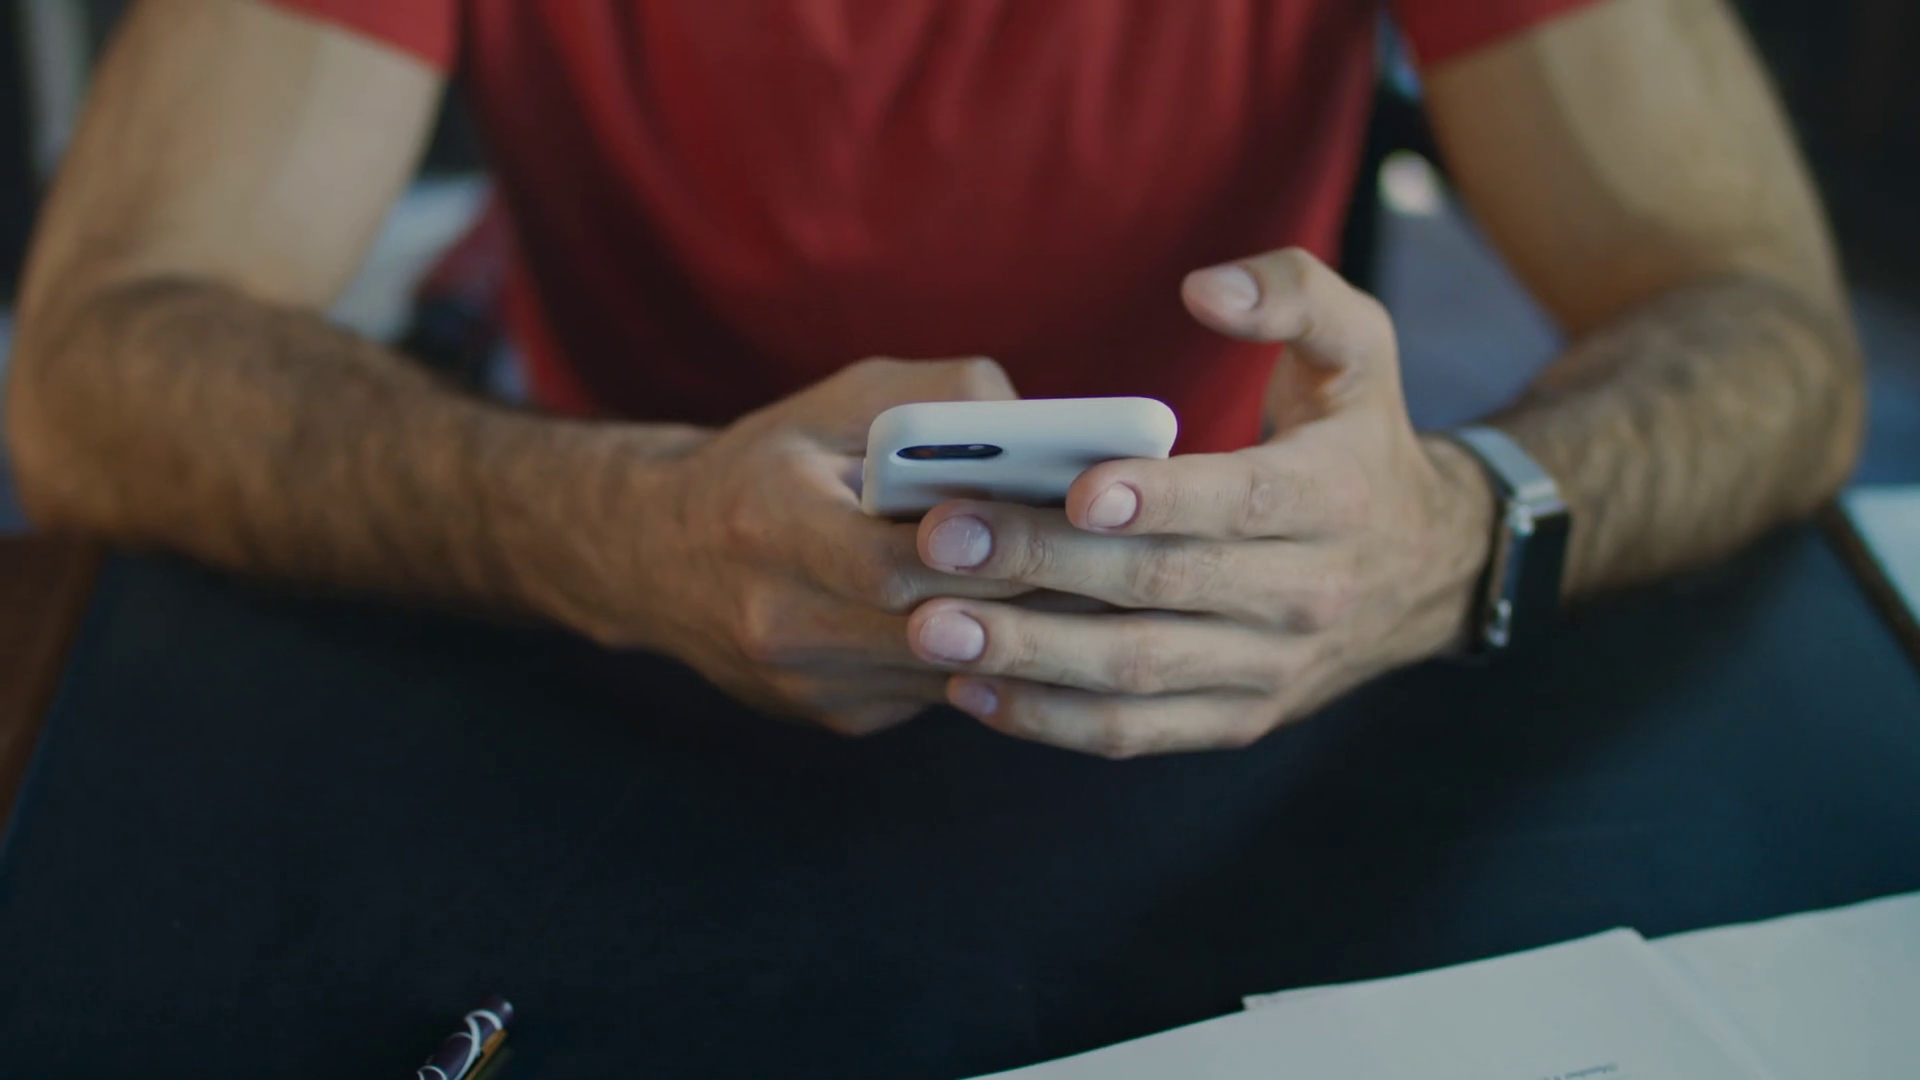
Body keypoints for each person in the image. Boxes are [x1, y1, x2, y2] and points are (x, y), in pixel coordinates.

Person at [3, 0, 1860, 757]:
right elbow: (94, 362)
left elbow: (1766, 324)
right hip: (608, 642)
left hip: (1268, 648)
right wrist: (617, 523)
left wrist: (1450, 532)